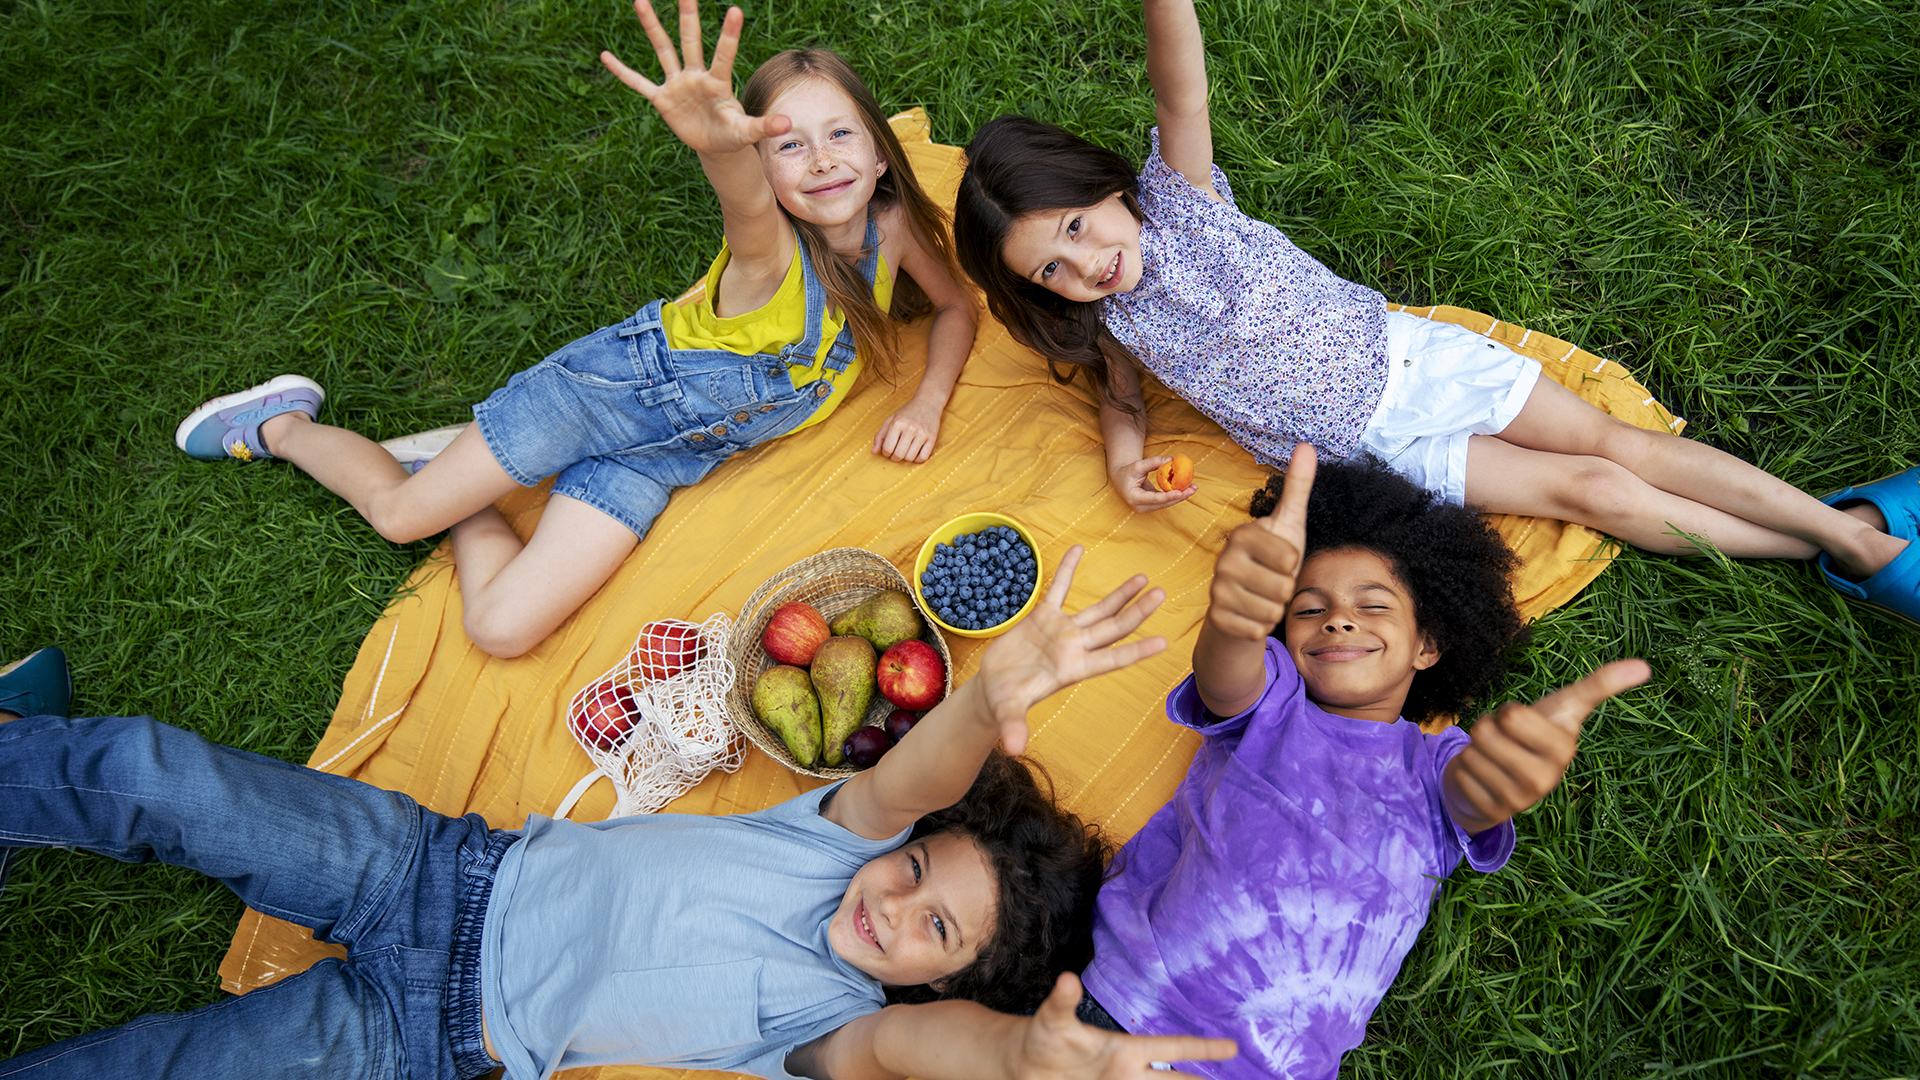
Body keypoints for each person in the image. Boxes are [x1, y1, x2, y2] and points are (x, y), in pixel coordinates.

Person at [0, 552, 1239, 1080]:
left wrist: (1019, 1061)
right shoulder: (829, 844)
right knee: (162, 778)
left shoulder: (833, 1030)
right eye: (921, 873)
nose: (896, 905)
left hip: (425, 1038)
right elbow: (914, 782)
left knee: (153, 1071)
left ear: (947, 983)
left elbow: (927, 1056)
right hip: (436, 871)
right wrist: (987, 697)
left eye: (937, 933)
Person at [949, 0, 1920, 626]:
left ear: (1104, 186)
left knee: (1618, 444)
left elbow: (1181, 83)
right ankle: (1835, 541)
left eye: (1076, 224)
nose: (1086, 262)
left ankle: (1854, 541)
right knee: (1595, 493)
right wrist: (1125, 464)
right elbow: (1120, 402)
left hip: (1416, 364)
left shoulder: (1182, 202)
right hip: (1384, 454)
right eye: (1054, 268)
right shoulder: (1114, 331)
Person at [175, 0, 979, 658]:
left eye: (840, 135)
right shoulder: (769, 260)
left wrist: (927, 402)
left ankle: (455, 468)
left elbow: (954, 307)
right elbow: (743, 204)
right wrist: (721, 152)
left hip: (665, 456)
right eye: (786, 146)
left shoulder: (892, 225)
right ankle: (282, 423)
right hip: (592, 400)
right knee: (397, 518)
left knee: (500, 630)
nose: (820, 161)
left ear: (879, 154)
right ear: (764, 172)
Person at [880, 446, 1649, 1079]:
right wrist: (1237, 614)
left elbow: (1471, 799)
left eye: (1373, 606)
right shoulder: (1275, 700)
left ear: (1429, 645)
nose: (1338, 616)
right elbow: (1227, 670)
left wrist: (1500, 779)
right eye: (1309, 607)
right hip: (1118, 1014)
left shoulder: (1435, 767)